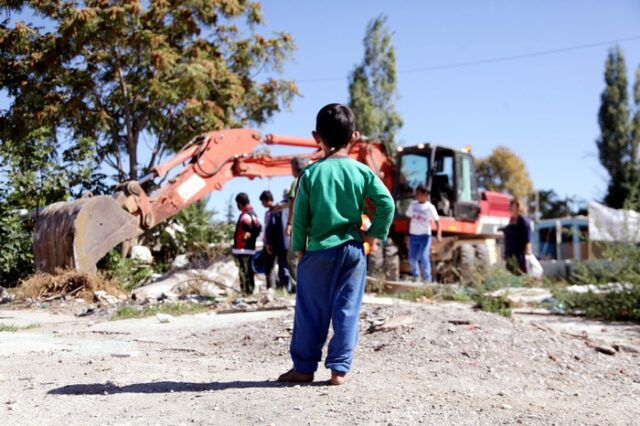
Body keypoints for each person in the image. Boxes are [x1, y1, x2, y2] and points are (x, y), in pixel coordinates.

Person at [277, 103, 394, 386]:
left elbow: (301, 216)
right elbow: (386, 204)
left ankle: (304, 368)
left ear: (317, 137)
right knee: (347, 308)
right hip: (353, 251)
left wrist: (299, 249)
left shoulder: (311, 174)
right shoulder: (362, 172)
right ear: (354, 136)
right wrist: (372, 235)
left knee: (310, 311)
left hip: (318, 251)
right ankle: (339, 369)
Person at [405, 185, 442, 282]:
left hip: (425, 236)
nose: (416, 195)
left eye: (418, 194)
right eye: (416, 193)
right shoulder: (413, 205)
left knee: (423, 256)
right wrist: (407, 234)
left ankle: (427, 279)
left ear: (425, 195)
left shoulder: (430, 207)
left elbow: (437, 221)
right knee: (412, 258)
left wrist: (439, 234)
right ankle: (416, 276)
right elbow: (408, 220)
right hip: (413, 236)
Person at [285, 156, 310, 291]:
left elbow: (292, 203)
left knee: (293, 258)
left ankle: (300, 287)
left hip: (299, 225)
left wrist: (289, 223)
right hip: (313, 226)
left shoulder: (296, 181)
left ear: (294, 168)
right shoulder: (312, 179)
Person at [259, 190, 291, 292]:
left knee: (280, 267)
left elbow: (271, 229)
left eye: (263, 202)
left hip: (276, 244)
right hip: (283, 243)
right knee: (282, 266)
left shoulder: (277, 211)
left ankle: (282, 288)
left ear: (267, 200)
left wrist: (269, 243)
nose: (262, 204)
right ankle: (282, 288)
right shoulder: (285, 210)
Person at [232, 192, 261, 295]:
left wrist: (248, 234)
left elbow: (249, 228)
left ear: (240, 203)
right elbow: (258, 228)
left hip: (243, 248)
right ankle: (248, 290)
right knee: (247, 270)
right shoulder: (252, 213)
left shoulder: (246, 215)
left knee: (244, 271)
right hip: (248, 248)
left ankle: (246, 291)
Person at [503, 197, 532, 274]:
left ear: (519, 207)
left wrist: (528, 252)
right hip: (510, 256)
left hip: (519, 256)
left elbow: (527, 238)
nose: (510, 208)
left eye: (513, 206)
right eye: (510, 205)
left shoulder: (523, 221)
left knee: (520, 276)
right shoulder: (511, 220)